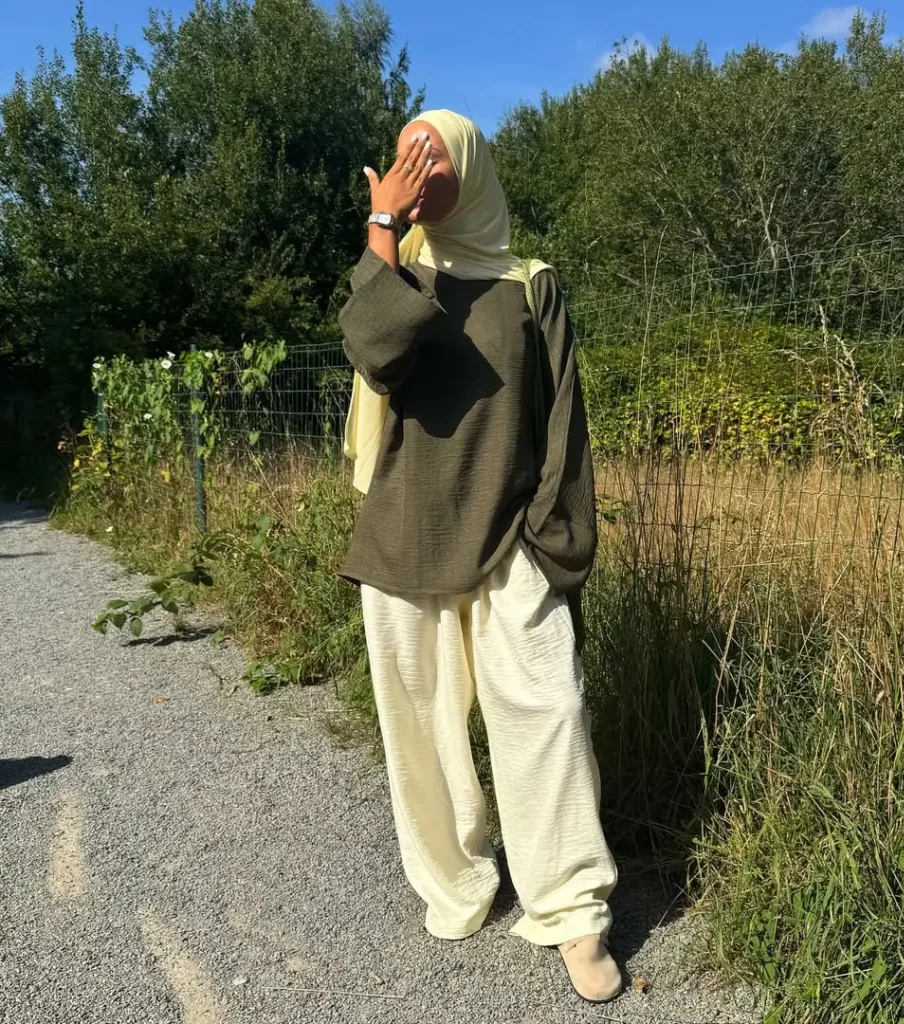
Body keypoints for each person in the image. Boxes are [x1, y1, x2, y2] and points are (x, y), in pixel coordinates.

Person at [337, 109, 621, 1004]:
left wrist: (555, 540)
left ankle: (572, 911)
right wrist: (384, 227)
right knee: (420, 731)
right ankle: (457, 883)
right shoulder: (398, 269)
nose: (415, 168)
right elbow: (373, 354)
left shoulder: (530, 285)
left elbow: (563, 421)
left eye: (433, 155)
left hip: (511, 538)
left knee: (549, 710)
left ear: (471, 166)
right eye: (403, 155)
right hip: (404, 536)